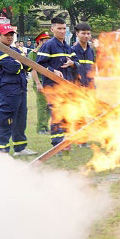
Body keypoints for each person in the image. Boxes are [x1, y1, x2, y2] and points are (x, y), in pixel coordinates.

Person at [0, 24, 34, 156]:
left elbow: (28, 65)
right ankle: (2, 150)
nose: (10, 37)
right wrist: (21, 63)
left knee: (21, 118)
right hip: (7, 90)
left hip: (20, 87)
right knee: (6, 118)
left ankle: (20, 148)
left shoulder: (15, 50)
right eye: (6, 35)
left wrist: (20, 62)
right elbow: (13, 68)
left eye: (11, 34)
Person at [36, 17, 78, 146]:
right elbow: (39, 65)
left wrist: (72, 63)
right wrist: (53, 71)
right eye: (59, 28)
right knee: (57, 113)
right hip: (53, 87)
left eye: (64, 28)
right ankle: (57, 143)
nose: (62, 31)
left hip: (67, 87)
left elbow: (76, 64)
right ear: (52, 29)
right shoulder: (48, 45)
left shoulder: (67, 47)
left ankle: (64, 141)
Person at [28, 32, 50, 134]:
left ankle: (45, 126)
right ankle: (40, 127)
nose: (48, 42)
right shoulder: (33, 53)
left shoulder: (48, 52)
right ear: (39, 41)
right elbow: (33, 69)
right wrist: (37, 83)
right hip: (40, 81)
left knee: (50, 105)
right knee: (42, 105)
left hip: (49, 82)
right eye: (46, 40)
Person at [71, 22, 96, 88]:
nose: (86, 36)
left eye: (88, 33)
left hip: (90, 87)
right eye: (83, 33)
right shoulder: (72, 51)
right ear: (77, 34)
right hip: (77, 87)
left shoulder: (91, 51)